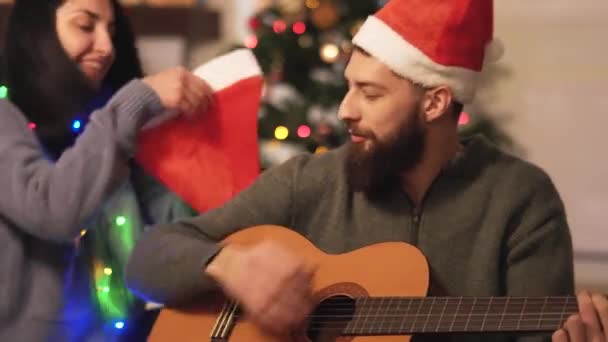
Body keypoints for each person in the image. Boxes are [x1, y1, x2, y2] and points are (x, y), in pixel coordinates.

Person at [125, 0, 606, 341]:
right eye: (349, 87)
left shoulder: (520, 200)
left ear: (435, 102)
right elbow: (147, 258)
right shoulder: (309, 181)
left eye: (370, 94)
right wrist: (229, 266)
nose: (345, 110)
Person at [0, 0, 213, 340]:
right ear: (37, 31)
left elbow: (172, 229)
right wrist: (137, 100)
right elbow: (54, 208)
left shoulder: (102, 131)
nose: (106, 47)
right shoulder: (4, 115)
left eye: (112, 31)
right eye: (86, 26)